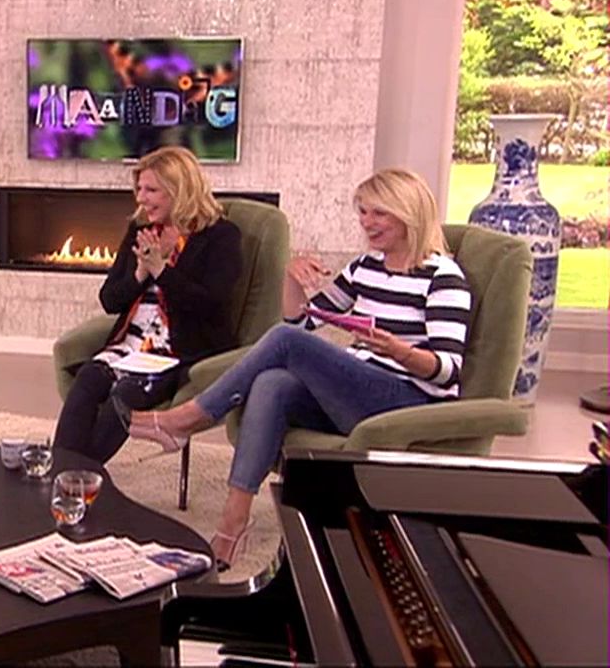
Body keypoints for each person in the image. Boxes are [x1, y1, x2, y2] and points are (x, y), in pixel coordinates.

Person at [128, 168, 470, 570]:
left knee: (285, 343)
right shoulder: (366, 266)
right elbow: (301, 322)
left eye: (379, 213)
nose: (367, 222)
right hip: (358, 394)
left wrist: (399, 351)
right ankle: (234, 521)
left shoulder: (442, 277)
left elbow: (447, 370)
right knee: (273, 382)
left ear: (409, 213)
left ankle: (187, 418)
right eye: (363, 212)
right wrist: (290, 278)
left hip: (405, 399)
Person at [53, 146, 242, 464]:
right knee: (88, 378)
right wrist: (141, 273)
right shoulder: (140, 231)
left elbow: (211, 304)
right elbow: (109, 299)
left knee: (124, 394)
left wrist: (161, 271)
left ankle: (76, 475)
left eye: (151, 190)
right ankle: (64, 473)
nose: (141, 199)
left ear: (179, 190)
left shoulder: (220, 236)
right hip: (128, 347)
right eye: (139, 189)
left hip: (177, 352)